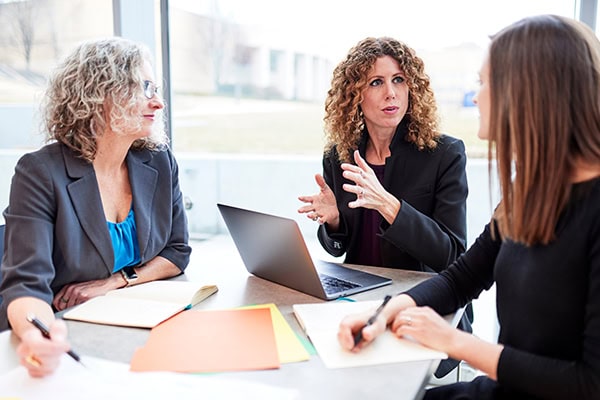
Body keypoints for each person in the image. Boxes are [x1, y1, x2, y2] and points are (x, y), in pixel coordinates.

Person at [338, 14, 600, 400]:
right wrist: (385, 312)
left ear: (530, 94)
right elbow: (462, 278)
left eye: (485, 83)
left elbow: (590, 384)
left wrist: (454, 342)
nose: (476, 96)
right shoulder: (531, 192)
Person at [0, 37, 192, 377]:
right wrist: (36, 337)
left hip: (133, 329)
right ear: (100, 95)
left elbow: (176, 252)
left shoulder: (159, 162)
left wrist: (116, 280)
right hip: (68, 330)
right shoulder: (40, 173)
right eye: (145, 88)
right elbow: (26, 287)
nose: (159, 102)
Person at [297, 36, 470, 377]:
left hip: (420, 305)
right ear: (354, 95)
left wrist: (390, 206)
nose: (391, 93)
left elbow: (453, 255)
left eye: (399, 80)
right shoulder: (339, 155)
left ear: (412, 88)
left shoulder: (445, 154)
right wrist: (333, 221)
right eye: (376, 82)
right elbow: (340, 247)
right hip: (359, 298)